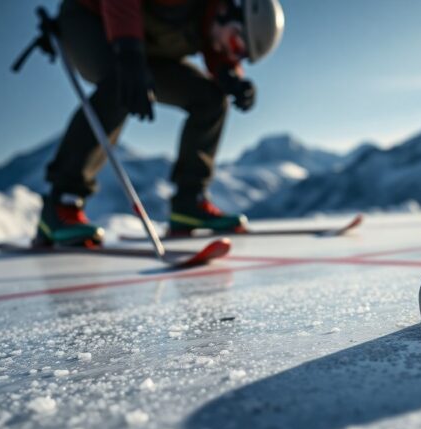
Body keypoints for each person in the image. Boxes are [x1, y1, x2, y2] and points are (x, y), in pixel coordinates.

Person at [35, 0, 284, 246]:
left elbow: (213, 47)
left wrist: (228, 74)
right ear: (229, 11)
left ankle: (189, 203)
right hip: (92, 18)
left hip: (141, 47)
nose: (232, 53)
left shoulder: (211, 20)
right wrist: (129, 54)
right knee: (120, 83)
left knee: (211, 100)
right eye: (235, 44)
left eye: (241, 55)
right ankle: (61, 204)